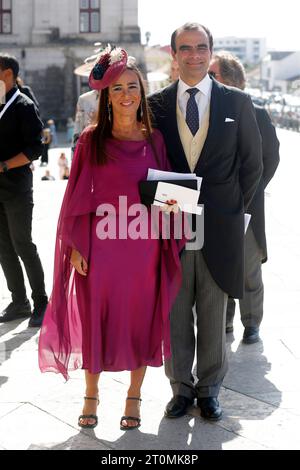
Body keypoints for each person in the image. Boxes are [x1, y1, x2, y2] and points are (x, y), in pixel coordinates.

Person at [38, 46, 184, 430]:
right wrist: (75, 247)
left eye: (132, 87)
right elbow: (75, 200)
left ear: (142, 90)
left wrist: (182, 213)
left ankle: (133, 397)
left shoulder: (155, 141)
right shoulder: (90, 140)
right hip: (101, 250)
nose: (126, 95)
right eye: (117, 88)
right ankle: (91, 394)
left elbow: (171, 197)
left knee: (140, 322)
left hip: (143, 248)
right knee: (96, 320)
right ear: (106, 95)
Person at [148, 23, 263, 421]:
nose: (193, 55)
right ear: (174, 54)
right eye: (185, 48)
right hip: (171, 226)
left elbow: (252, 166)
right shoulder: (156, 105)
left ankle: (209, 388)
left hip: (220, 227)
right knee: (175, 312)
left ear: (211, 52)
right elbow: (148, 166)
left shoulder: (238, 103)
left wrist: (230, 212)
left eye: (201, 48)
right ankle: (180, 387)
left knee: (215, 312)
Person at [208, 51, 280, 343]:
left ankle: (251, 324)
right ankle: (224, 321)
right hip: (217, 207)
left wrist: (250, 192)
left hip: (248, 205)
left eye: (214, 75)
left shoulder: (257, 112)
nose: (208, 79)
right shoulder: (206, 111)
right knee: (221, 265)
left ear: (232, 79)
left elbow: (270, 158)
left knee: (249, 268)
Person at [0, 53, 48, 328]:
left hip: (17, 186)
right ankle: (19, 302)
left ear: (7, 73)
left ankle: (41, 301)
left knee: (23, 245)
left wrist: (4, 165)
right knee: (3, 248)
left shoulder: (24, 105)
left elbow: (34, 150)